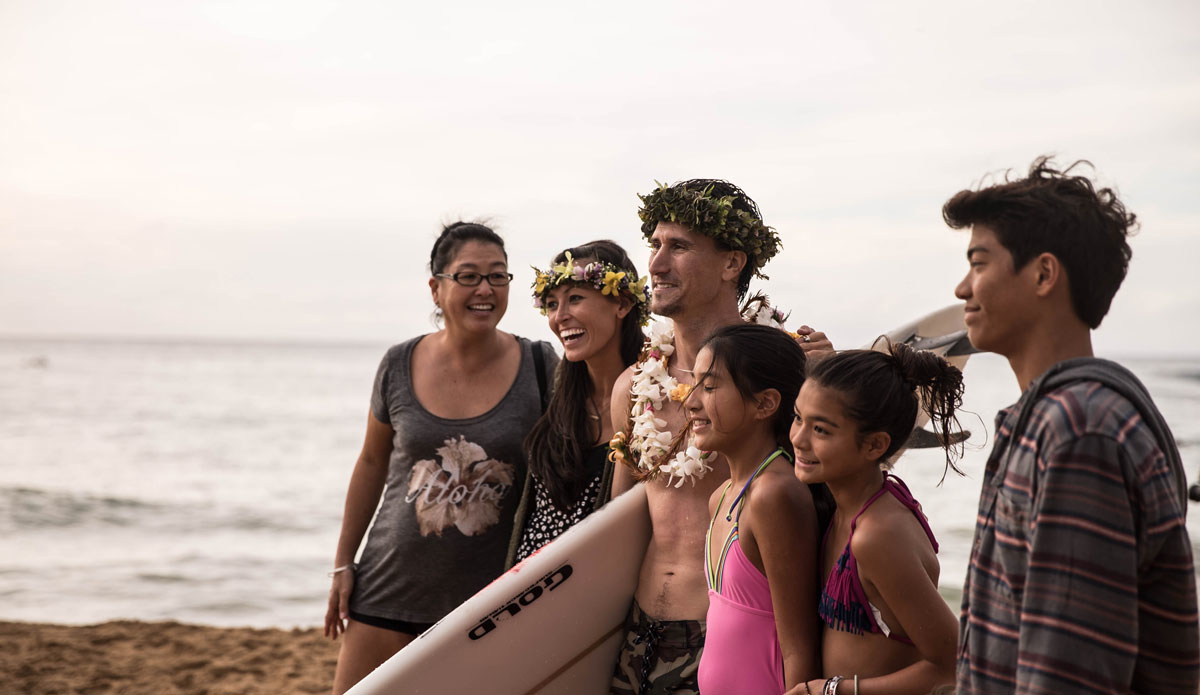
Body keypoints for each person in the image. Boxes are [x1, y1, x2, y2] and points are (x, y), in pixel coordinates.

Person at [945, 157, 1199, 694]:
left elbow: (1067, 675)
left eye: (980, 263)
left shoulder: (1078, 431)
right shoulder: (1056, 418)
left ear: (1042, 274)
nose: (962, 289)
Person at [607, 179, 834, 695]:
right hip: (639, 636)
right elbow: (618, 522)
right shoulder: (633, 386)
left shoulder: (787, 371)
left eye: (679, 247)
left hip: (735, 634)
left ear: (732, 264)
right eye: (656, 245)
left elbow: (843, 488)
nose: (656, 264)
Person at [322, 221, 557, 694]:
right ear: (436, 287)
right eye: (468, 276)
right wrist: (343, 563)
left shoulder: (540, 365)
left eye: (498, 276)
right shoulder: (398, 363)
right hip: (387, 589)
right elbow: (370, 464)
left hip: (487, 603)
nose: (485, 289)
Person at [788, 343, 963, 695]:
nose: (798, 439)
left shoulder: (878, 535)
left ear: (874, 445)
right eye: (797, 418)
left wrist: (830, 691)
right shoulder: (850, 508)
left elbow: (953, 665)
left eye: (821, 430)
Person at [687, 324, 820, 695]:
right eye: (694, 384)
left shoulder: (774, 495)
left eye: (709, 387)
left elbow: (799, 647)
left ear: (765, 403)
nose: (691, 401)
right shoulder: (723, 496)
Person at [505, 240, 649, 565]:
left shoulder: (652, 400)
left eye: (575, 299)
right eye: (552, 304)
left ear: (623, 304)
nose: (560, 316)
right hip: (525, 594)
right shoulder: (560, 394)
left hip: (593, 597)